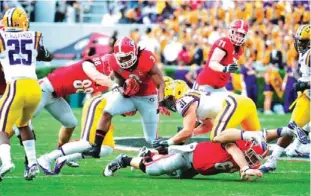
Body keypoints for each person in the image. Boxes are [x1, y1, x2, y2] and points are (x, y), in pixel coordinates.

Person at [85, 37, 169, 158]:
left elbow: (160, 83)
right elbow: (119, 80)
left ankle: (167, 156)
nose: (124, 60)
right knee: (107, 112)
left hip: (148, 98)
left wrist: (161, 103)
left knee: (151, 139)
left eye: (127, 57)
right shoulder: (113, 61)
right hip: (130, 96)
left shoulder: (146, 59)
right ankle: (96, 148)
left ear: (135, 52)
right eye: (121, 58)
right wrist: (123, 91)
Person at [0, 7, 52, 181]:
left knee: (2, 129)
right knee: (23, 124)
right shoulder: (34, 35)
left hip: (15, 85)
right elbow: (46, 55)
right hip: (34, 87)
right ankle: (32, 163)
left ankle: (6, 162)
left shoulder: (1, 37)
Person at [152, 80, 267, 151]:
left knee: (216, 136)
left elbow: (187, 130)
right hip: (245, 102)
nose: (170, 103)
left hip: (233, 104)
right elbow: (208, 126)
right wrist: (193, 132)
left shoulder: (183, 101)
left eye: (170, 99)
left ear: (177, 93)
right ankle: (282, 135)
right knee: (260, 142)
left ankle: (249, 135)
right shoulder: (195, 97)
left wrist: (168, 142)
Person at [260, 24, 311, 173]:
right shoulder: (305, 53)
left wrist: (306, 83)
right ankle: (273, 160)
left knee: (298, 128)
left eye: (304, 41)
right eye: (300, 40)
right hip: (307, 98)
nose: (300, 44)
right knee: (291, 129)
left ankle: (295, 147)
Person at [104, 140, 265, 181]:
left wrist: (245, 174)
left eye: (255, 158)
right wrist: (244, 168)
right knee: (154, 170)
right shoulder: (235, 145)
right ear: (246, 147)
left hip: (195, 169)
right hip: (190, 156)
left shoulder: (247, 162)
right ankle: (124, 160)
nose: (252, 159)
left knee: (176, 175)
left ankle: (150, 155)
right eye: (251, 154)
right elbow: (233, 150)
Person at [37, 95, 116, 175]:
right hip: (99, 103)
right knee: (87, 143)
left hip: (108, 106)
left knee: (107, 148)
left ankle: (65, 159)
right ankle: (47, 158)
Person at [194, 20, 248, 93]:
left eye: (241, 34)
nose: (239, 36)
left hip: (220, 87)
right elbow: (212, 63)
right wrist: (225, 68)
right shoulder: (225, 42)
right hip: (206, 84)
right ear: (231, 31)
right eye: (237, 33)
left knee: (231, 103)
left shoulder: (240, 49)